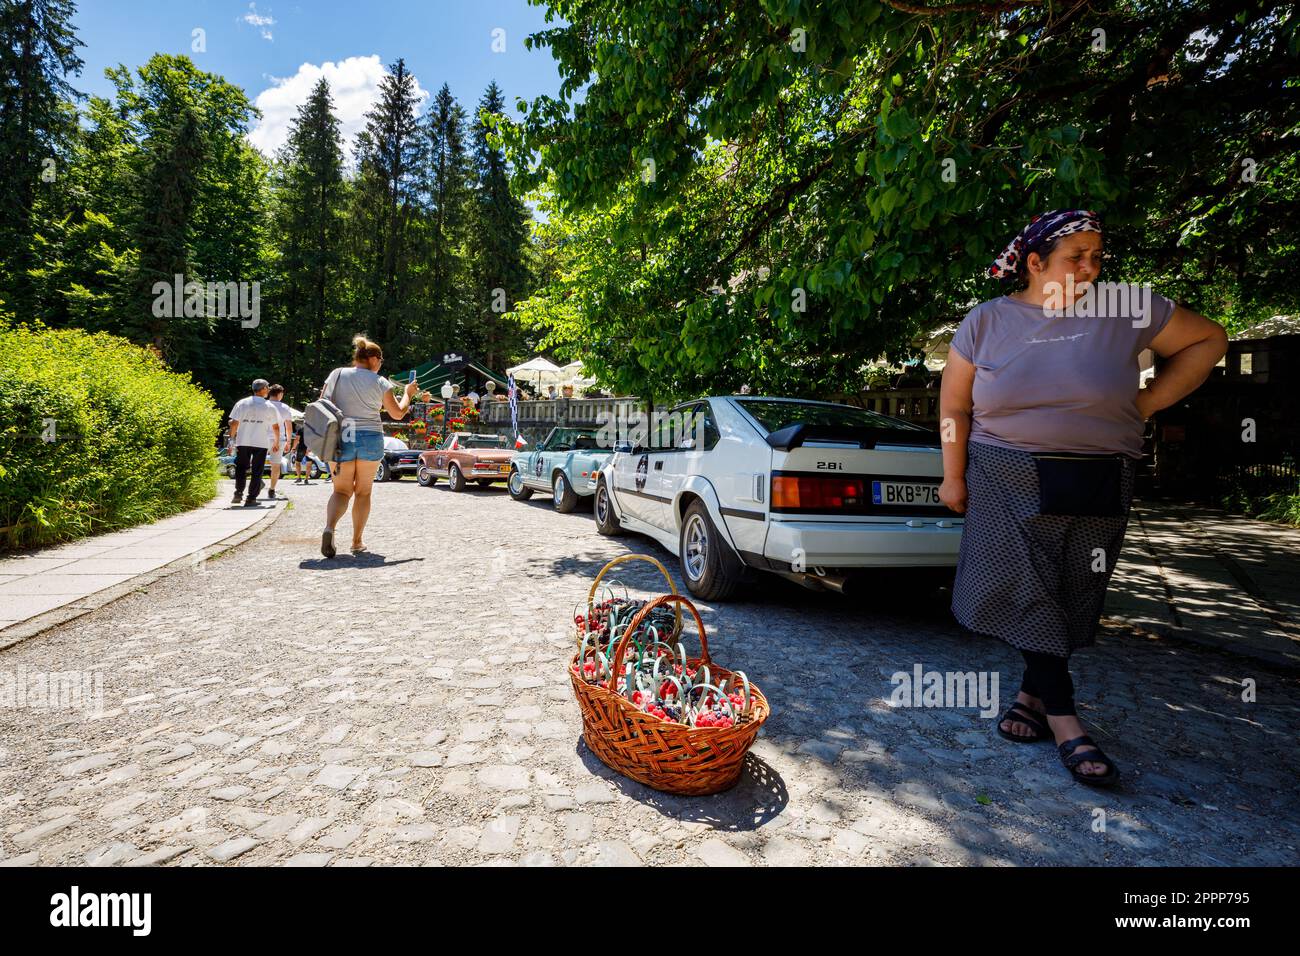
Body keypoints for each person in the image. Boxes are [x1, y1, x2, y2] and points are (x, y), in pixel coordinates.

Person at [939, 209, 1227, 788]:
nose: (1092, 268)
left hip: (1101, 471)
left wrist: (1142, 406)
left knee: (1073, 587)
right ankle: (1069, 722)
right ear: (1036, 263)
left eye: (1098, 255)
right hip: (1005, 471)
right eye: (1078, 257)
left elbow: (1208, 340)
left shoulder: (1127, 308)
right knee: (1026, 588)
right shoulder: (988, 321)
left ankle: (1029, 699)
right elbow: (953, 408)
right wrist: (953, 476)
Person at [318, 335, 419, 557]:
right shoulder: (380, 382)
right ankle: (356, 542)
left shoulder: (337, 374)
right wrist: (408, 395)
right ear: (372, 359)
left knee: (341, 491)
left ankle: (329, 528)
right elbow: (397, 413)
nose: (381, 363)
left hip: (341, 436)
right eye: (380, 359)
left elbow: (322, 403)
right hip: (370, 437)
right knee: (363, 492)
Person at [227, 379, 281, 507]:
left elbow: (234, 423)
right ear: (262, 389)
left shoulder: (242, 403)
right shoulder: (269, 406)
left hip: (243, 441)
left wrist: (231, 440)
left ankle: (238, 493)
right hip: (260, 442)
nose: (268, 390)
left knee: (241, 468)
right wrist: (276, 442)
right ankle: (251, 498)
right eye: (267, 387)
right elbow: (276, 427)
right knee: (257, 471)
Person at [265, 384, 294, 499]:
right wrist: (288, 442)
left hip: (262, 438)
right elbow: (288, 427)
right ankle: (272, 489)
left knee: (257, 463)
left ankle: (257, 484)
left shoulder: (264, 405)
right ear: (280, 394)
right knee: (276, 465)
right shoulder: (285, 407)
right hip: (279, 439)